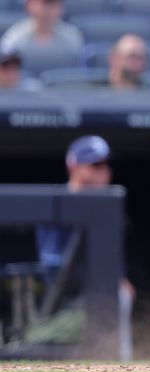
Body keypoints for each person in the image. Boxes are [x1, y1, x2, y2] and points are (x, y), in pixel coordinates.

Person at [35, 135, 135, 359]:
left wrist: (116, 279)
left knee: (121, 294)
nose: (103, 171)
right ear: (73, 166)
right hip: (59, 308)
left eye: (105, 165)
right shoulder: (56, 204)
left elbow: (113, 264)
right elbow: (53, 274)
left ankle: (120, 362)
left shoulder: (107, 211)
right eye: (95, 165)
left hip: (93, 301)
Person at [1, 0, 84, 70]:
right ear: (30, 5)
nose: (54, 8)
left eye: (58, 2)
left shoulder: (72, 36)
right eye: (48, 2)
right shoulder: (15, 38)